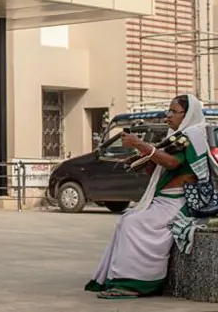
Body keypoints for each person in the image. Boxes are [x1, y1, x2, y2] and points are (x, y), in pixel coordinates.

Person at [86, 94, 218, 299]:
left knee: (134, 224)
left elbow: (172, 163)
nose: (168, 115)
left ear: (188, 114)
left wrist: (141, 145)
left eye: (174, 112)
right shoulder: (176, 137)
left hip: (180, 202)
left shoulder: (191, 136)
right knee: (127, 220)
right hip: (163, 200)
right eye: (169, 110)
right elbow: (162, 168)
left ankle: (137, 284)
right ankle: (118, 279)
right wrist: (145, 160)